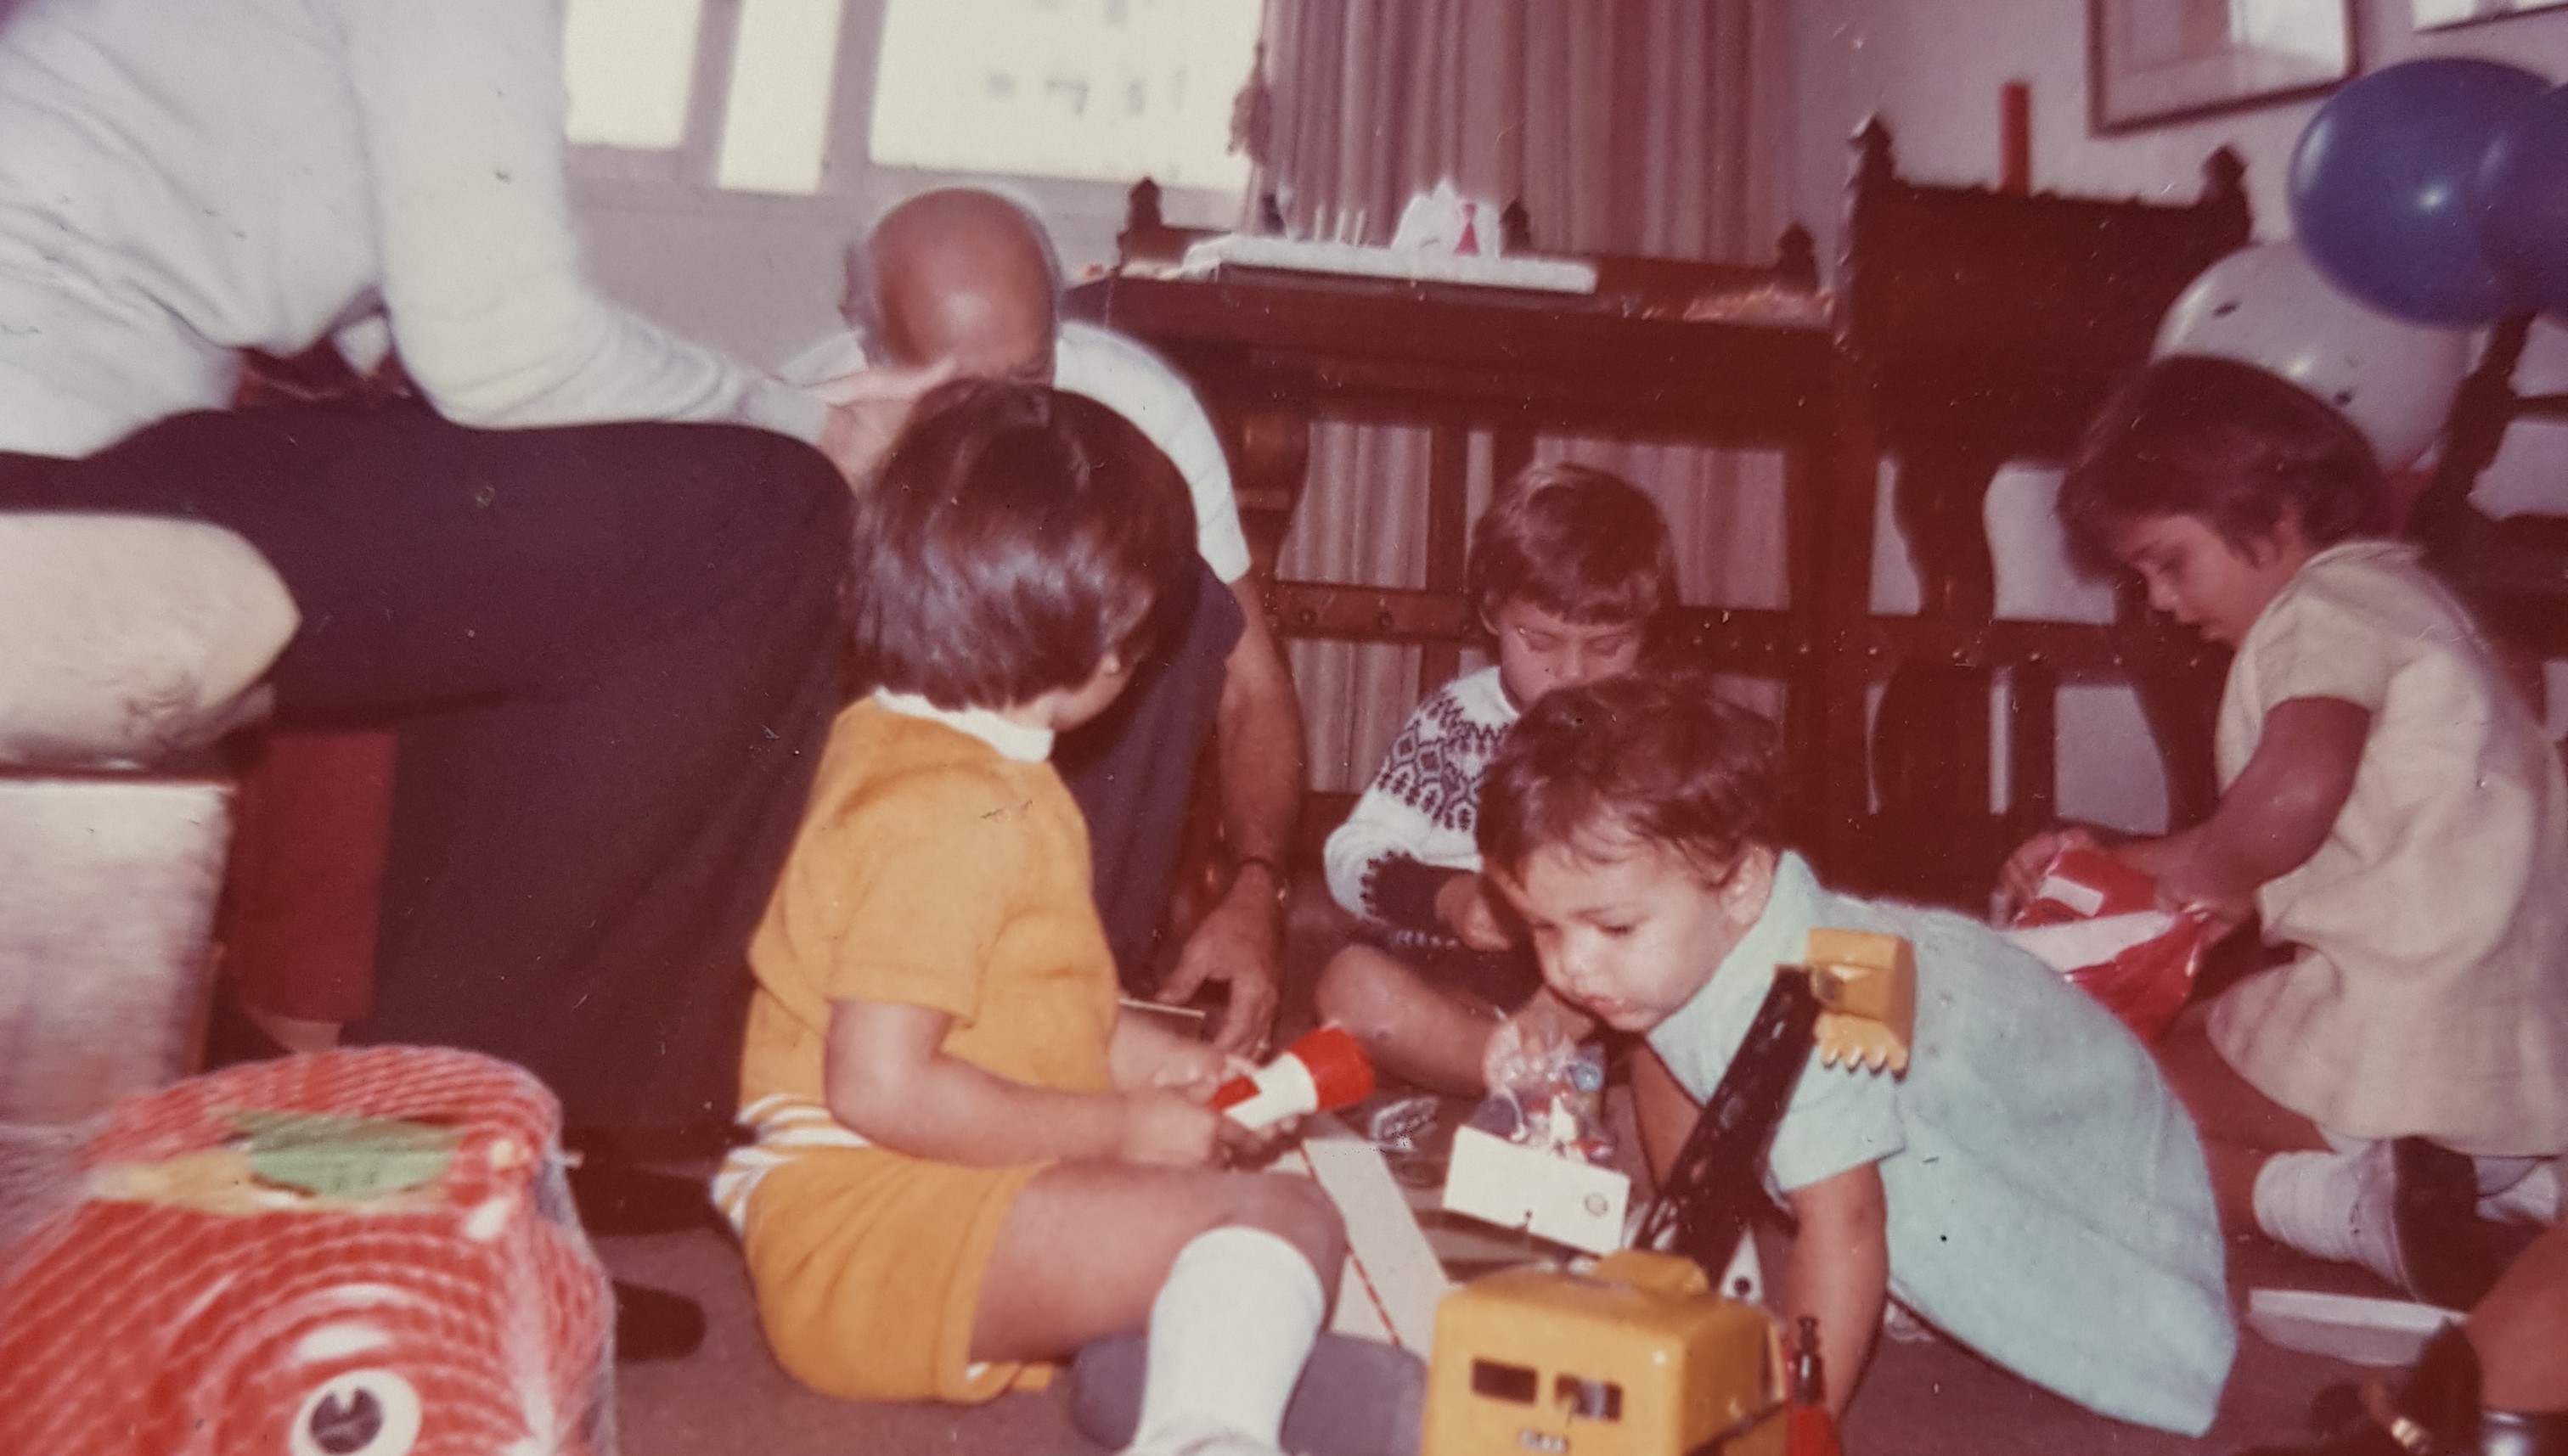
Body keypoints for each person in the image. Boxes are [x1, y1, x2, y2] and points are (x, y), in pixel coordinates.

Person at [0, 0, 955, 1137]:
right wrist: (815, 428)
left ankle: (449, 1114)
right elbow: (504, 351)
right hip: (51, 472)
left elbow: (429, 330)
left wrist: (765, 411)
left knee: (603, 523)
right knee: (764, 509)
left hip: (77, 453)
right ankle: (476, 1133)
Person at [712, 379, 1341, 1456]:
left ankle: (1170, 1371)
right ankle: (1204, 1436)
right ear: (1107, 649)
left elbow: (1022, 1004)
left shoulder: (929, 749)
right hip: (872, 1232)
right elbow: (880, 1085)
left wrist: (1153, 1065)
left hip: (913, 1200)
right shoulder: (949, 809)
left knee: (1203, 1205)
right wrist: (1123, 1130)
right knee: (1281, 1219)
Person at [1476, 673, 2235, 1434]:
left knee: (1918, 1233)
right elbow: (1612, 993)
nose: (1572, 965)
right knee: (1656, 1026)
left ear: (1740, 885)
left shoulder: (1813, 1015)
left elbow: (1846, 1226)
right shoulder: (1685, 933)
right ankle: (1692, 1252)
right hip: (1993, 1047)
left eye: (1612, 928)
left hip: (2075, 1132)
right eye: (1543, 927)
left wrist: (1802, 1418)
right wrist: (1547, 1013)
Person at [2002, 357, 2568, 1310]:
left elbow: (2297, 792)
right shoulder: (2415, 605)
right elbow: (2337, 831)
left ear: (2270, 516)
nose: (2162, 601)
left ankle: (2336, 1207)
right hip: (2519, 1070)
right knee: (2199, 1031)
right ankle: (2501, 1187)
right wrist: (2165, 876)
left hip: (2404, 1051)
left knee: (2087, 1094)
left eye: (2170, 562)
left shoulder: (2317, 610)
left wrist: (2177, 872)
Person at [790, 187, 1304, 1056]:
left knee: (1183, 588)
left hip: (1064, 793)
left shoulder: (1141, 406)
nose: (1006, 421)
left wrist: (1256, 891)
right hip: (879, 814)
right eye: (960, 391)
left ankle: (1083, 975)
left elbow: (1252, 682)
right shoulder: (804, 419)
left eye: (1030, 376)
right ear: (866, 338)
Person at [1316, 462, 1691, 1144]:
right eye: (1539, 642)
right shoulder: (1456, 723)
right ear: (1492, 614)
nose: (1571, 672)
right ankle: (1524, 1078)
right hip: (1456, 985)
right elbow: (1350, 855)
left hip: (1593, 994)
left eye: (1607, 646)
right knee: (1351, 986)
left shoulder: (1654, 737)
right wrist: (1448, 897)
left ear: (1648, 626)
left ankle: (1548, 1083)